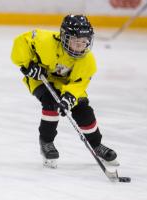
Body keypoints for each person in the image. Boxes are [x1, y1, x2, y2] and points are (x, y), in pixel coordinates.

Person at [11, 14, 118, 168]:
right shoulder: (45, 41)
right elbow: (21, 42)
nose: (80, 46)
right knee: (50, 102)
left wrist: (69, 97)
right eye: (75, 41)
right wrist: (28, 64)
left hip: (68, 84)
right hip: (41, 78)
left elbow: (78, 85)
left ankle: (97, 145)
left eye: (84, 42)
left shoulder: (88, 61)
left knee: (83, 110)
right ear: (64, 37)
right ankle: (46, 142)